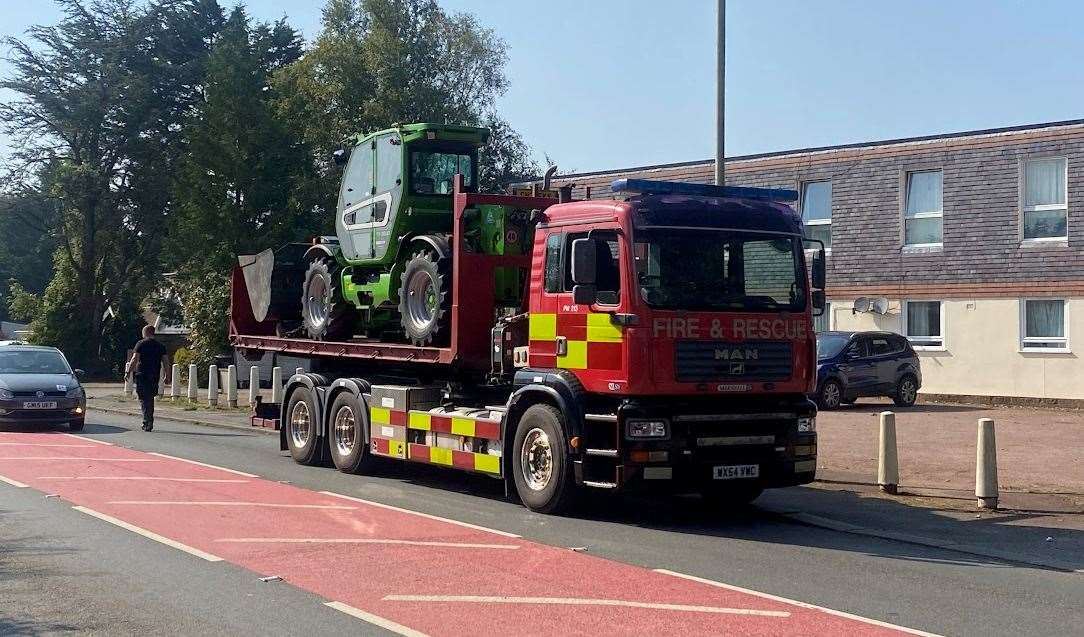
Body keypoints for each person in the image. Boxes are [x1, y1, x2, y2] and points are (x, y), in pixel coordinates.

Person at [125, 325, 167, 432]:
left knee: (143, 398)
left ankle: (146, 421)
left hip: (142, 374)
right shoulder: (160, 346)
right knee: (150, 398)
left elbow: (134, 359)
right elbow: (166, 361)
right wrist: (167, 375)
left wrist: (128, 372)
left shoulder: (141, 344)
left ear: (146, 332)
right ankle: (149, 419)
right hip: (154, 375)